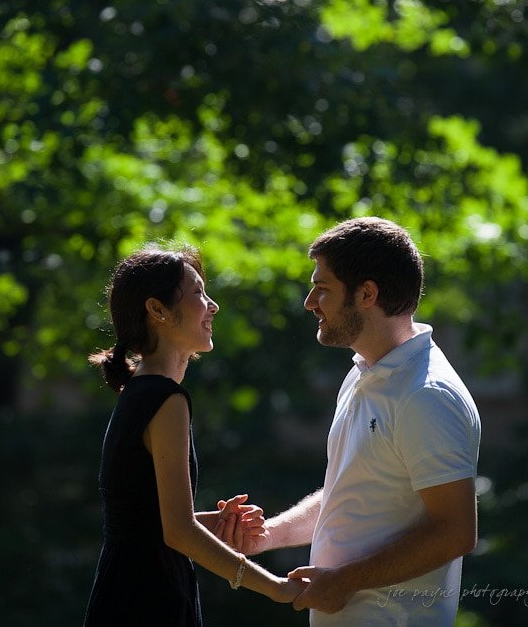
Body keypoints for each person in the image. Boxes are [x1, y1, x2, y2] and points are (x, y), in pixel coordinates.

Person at [238, 217, 481, 625]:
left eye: (323, 288)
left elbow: (456, 531)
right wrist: (270, 535)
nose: (309, 301)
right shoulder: (363, 372)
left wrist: (345, 581)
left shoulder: (427, 395)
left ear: (367, 293)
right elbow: (352, 493)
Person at [83, 243, 305, 627]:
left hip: (124, 595)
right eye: (199, 293)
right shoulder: (166, 400)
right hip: (150, 603)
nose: (213, 305)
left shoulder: (139, 391)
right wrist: (276, 587)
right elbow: (178, 533)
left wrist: (211, 523)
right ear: (157, 310)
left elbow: (146, 523)